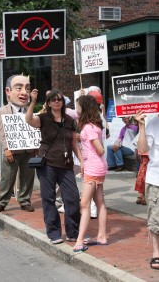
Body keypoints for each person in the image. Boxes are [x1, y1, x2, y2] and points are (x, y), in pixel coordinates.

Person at [26, 88, 83, 244]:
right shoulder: (43, 118)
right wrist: (32, 102)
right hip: (48, 164)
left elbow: (73, 142)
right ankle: (54, 232)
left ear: (63, 102)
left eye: (59, 99)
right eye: (53, 99)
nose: (57, 101)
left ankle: (73, 231)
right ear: (49, 103)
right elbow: (29, 120)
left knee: (72, 198)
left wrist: (82, 161)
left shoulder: (69, 120)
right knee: (48, 198)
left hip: (66, 164)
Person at [0, 74, 35, 213]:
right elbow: (2, 131)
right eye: (19, 88)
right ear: (8, 91)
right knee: (7, 177)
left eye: (27, 89)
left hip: (28, 150)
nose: (24, 92)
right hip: (11, 151)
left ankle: (25, 200)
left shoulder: (30, 110)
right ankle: (2, 201)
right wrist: (6, 149)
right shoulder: (2, 111)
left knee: (28, 177)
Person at [73, 95, 108, 252]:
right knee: (99, 202)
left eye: (78, 106)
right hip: (98, 168)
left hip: (93, 168)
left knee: (84, 204)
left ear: (84, 108)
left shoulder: (88, 127)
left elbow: (100, 149)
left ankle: (80, 239)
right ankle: (102, 236)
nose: (76, 109)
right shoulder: (93, 126)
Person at [135, 110, 159, 270]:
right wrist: (141, 126)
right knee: (156, 219)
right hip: (157, 178)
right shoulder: (152, 121)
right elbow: (142, 149)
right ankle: (156, 253)